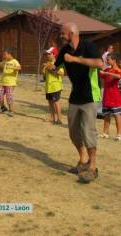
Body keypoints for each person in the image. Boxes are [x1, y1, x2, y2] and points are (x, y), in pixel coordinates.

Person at [51, 23, 103, 183]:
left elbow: (99, 63)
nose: (61, 35)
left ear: (72, 33)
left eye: (63, 33)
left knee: (88, 132)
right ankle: (82, 161)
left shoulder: (88, 46)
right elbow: (56, 65)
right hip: (75, 97)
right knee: (74, 133)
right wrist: (51, 68)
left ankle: (92, 167)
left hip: (90, 96)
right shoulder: (65, 50)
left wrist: (74, 59)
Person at [99, 53, 121, 141]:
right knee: (106, 116)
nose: (107, 61)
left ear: (114, 60)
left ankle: (119, 134)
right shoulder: (107, 69)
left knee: (117, 116)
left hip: (115, 98)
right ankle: (105, 133)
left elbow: (119, 76)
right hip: (106, 98)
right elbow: (101, 74)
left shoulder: (118, 70)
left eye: (108, 59)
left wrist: (107, 73)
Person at [0, 48, 21, 117]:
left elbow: (19, 67)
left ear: (10, 54)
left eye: (5, 54)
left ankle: (11, 110)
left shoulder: (14, 61)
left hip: (10, 83)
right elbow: (0, 64)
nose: (4, 56)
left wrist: (12, 67)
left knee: (8, 96)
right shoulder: (5, 61)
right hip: (2, 82)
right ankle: (3, 107)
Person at [42, 47, 64, 125]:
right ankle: (52, 117)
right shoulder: (47, 63)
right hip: (48, 86)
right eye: (47, 54)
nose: (47, 55)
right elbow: (45, 75)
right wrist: (44, 71)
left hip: (55, 86)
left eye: (49, 54)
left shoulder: (58, 63)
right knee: (50, 102)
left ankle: (59, 119)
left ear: (54, 54)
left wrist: (51, 68)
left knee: (56, 102)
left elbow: (61, 73)